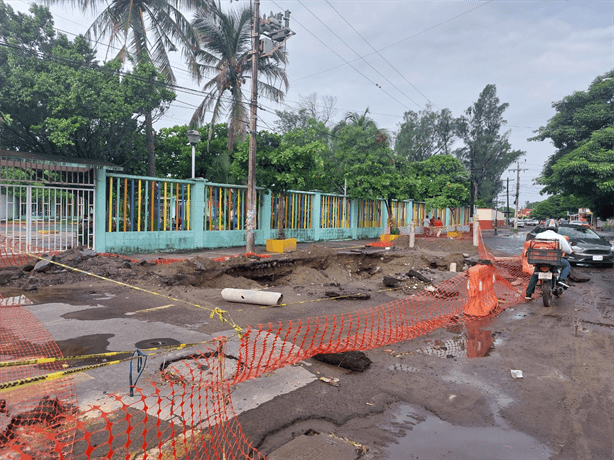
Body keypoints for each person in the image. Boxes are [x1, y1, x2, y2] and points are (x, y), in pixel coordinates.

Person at [525, 219, 573, 300]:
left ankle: (528, 294)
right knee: (566, 264)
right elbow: (568, 250)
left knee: (535, 274)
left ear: (545, 227)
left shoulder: (539, 235)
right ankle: (561, 280)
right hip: (554, 261)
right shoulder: (560, 237)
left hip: (540, 260)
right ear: (556, 227)